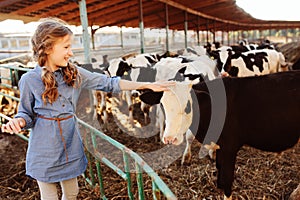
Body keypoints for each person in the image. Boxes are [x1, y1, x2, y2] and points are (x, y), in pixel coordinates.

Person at [1, 17, 174, 200]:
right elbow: (26, 113)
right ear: (48, 48)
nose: (70, 53)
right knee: (49, 196)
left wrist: (147, 85)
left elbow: (107, 82)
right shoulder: (29, 80)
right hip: (44, 148)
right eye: (66, 47)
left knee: (72, 192)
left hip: (69, 142)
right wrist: (19, 121)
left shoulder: (73, 72)